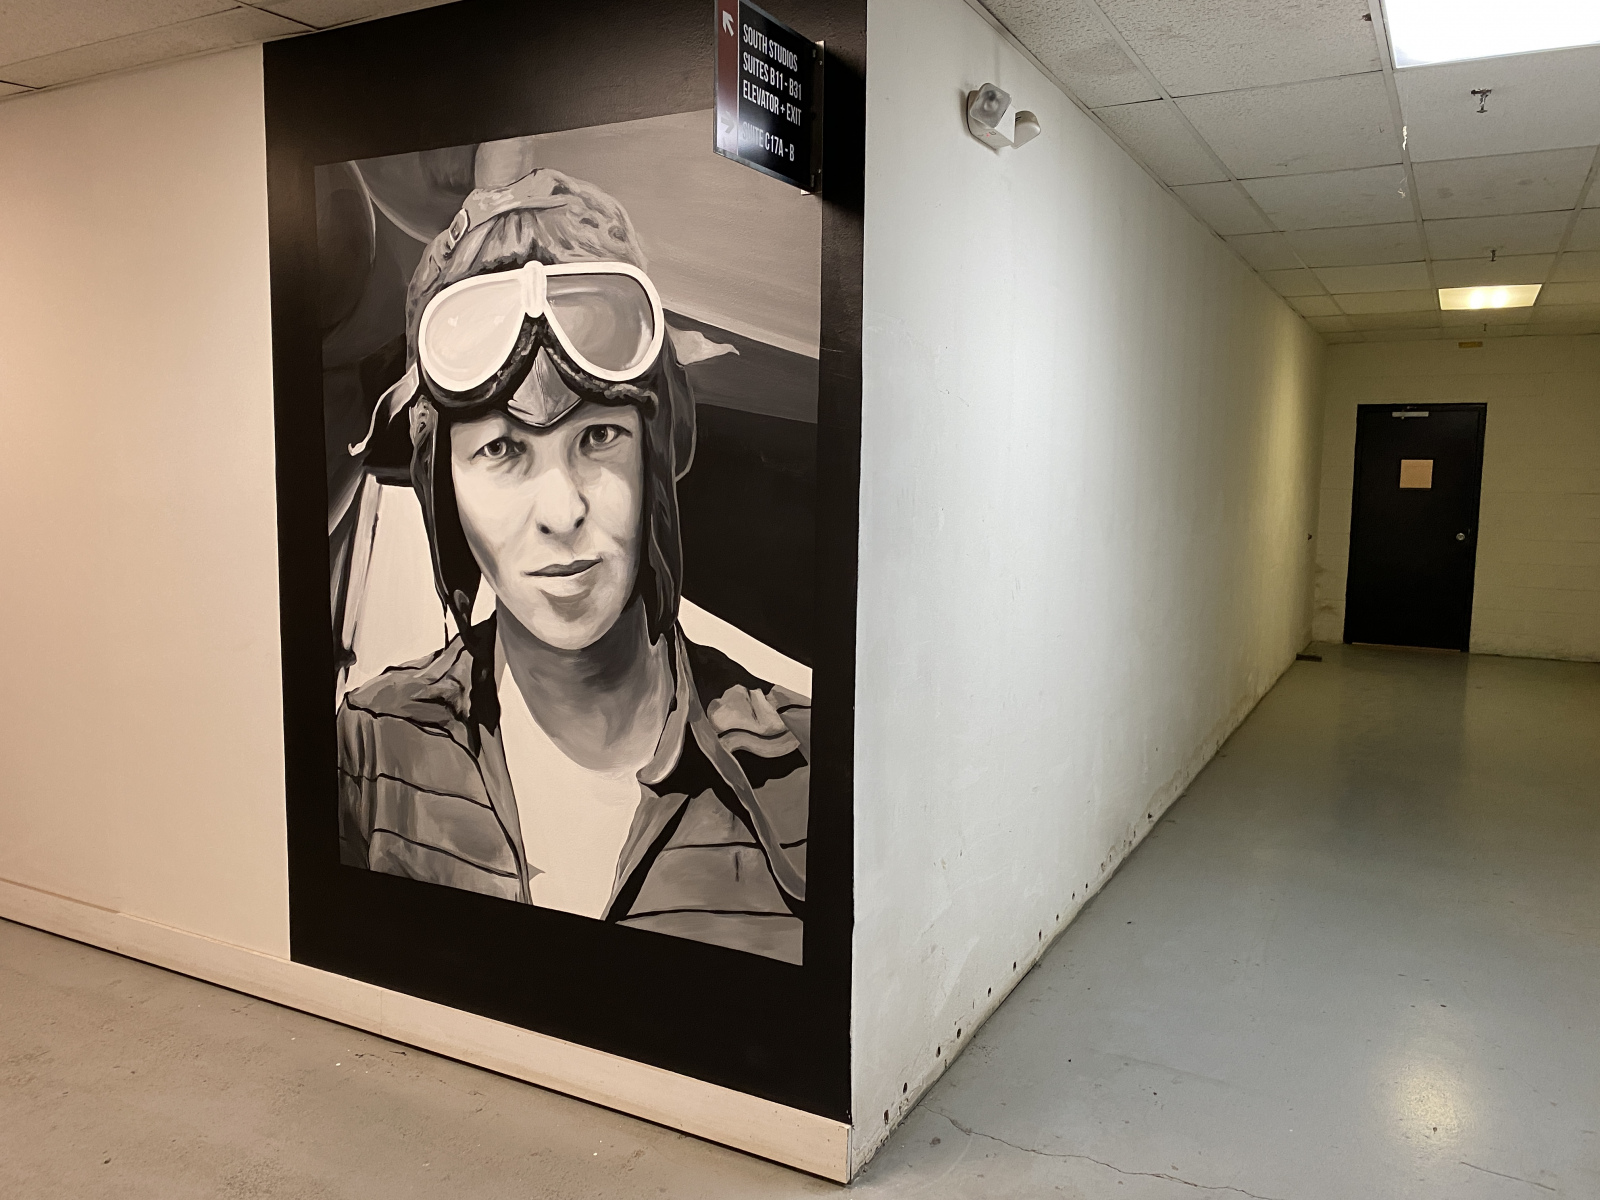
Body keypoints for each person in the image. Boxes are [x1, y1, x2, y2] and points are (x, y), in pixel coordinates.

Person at [336, 148, 810, 965]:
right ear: (443, 485)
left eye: (597, 437)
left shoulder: (805, 770)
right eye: (500, 450)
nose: (563, 512)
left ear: (656, 451)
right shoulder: (371, 749)